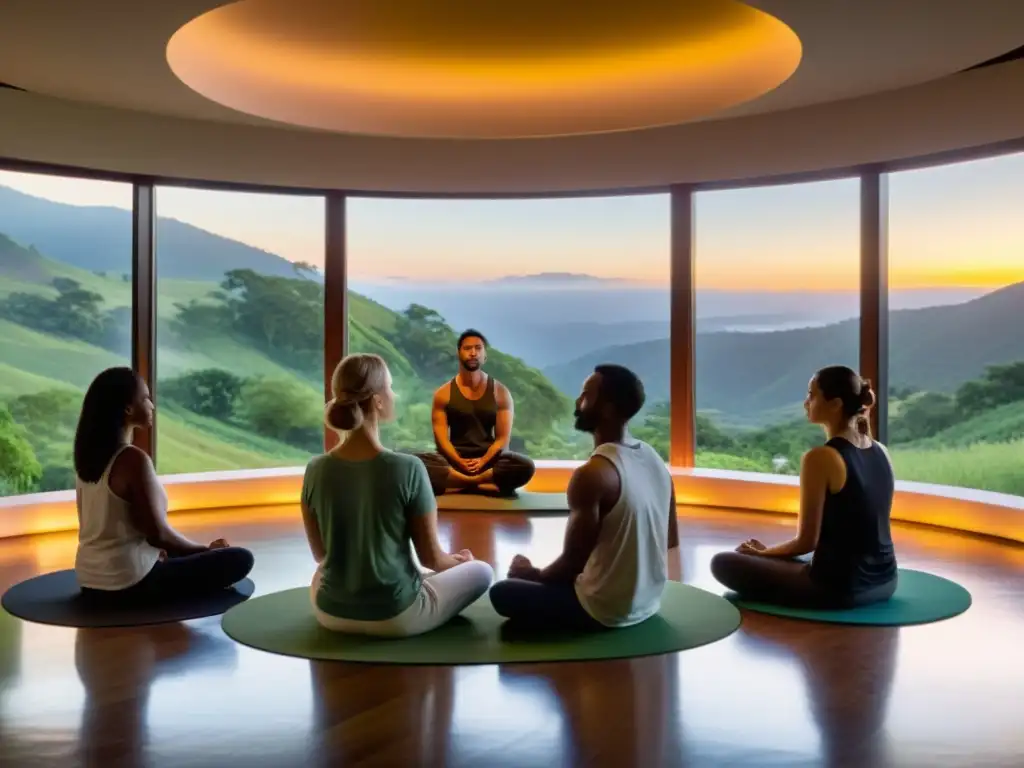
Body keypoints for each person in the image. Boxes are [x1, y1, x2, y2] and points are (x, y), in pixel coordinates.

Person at [301, 353, 494, 637]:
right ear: (378, 400)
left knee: (322, 574)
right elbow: (433, 560)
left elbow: (322, 555)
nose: (393, 394)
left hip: (330, 613)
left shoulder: (315, 468)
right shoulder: (408, 468)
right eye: (389, 388)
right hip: (396, 617)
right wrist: (460, 563)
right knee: (482, 571)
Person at [489, 364, 679, 630]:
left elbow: (571, 564)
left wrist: (532, 574)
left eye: (586, 395)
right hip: (649, 603)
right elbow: (669, 540)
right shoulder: (655, 460)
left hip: (605, 610)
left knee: (502, 593)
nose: (578, 402)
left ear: (609, 409)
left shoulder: (593, 474)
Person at [710, 365, 898, 609]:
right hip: (887, 580)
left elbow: (807, 542)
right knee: (791, 558)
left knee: (723, 562)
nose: (806, 402)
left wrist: (761, 555)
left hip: (841, 588)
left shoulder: (821, 457)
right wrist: (772, 554)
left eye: (812, 395)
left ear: (835, 404)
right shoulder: (881, 450)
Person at [73, 367, 254, 605]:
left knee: (180, 556)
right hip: (129, 582)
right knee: (240, 559)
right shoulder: (132, 460)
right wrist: (206, 551)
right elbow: (158, 534)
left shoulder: (89, 457)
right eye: (146, 398)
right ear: (128, 409)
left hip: (89, 579)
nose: (152, 406)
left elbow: (141, 531)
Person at [414, 329, 535, 496]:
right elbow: (441, 440)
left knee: (525, 466)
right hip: (454, 461)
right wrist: (459, 461)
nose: (473, 353)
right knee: (415, 463)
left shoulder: (500, 392)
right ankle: (480, 483)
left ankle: (459, 483)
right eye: (467, 348)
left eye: (478, 348)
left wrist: (483, 461)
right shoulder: (443, 394)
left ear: (485, 355)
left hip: (488, 462)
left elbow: (502, 439)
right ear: (459, 353)